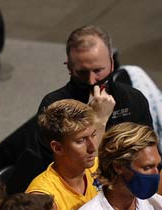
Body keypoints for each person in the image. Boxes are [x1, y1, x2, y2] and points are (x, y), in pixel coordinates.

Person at [37, 25, 152, 164]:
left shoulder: (133, 99)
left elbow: (148, 156)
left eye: (98, 70)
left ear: (112, 63)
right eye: (82, 72)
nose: (91, 80)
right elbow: (69, 173)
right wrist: (98, 121)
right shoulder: (53, 107)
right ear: (69, 67)